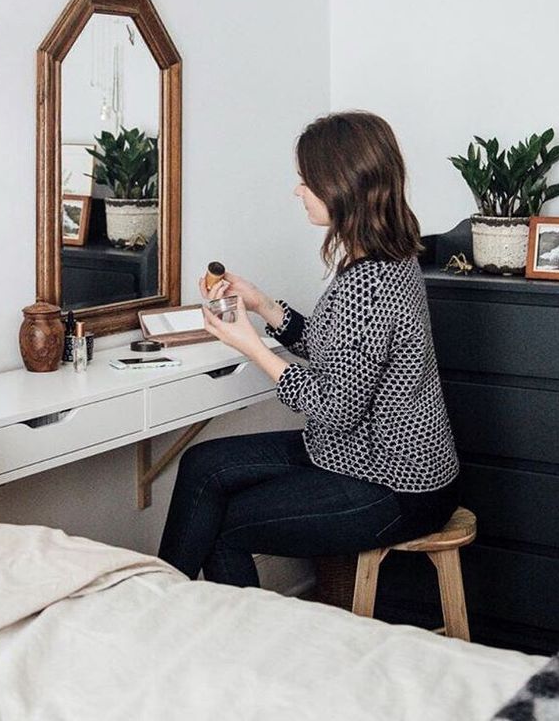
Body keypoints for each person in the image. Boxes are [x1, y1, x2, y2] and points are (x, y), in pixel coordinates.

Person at [158, 111, 460, 587]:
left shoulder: (371, 281)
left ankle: (204, 634)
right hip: (354, 454)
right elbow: (334, 347)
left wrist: (253, 347)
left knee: (222, 528)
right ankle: (162, 603)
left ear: (341, 185)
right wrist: (261, 304)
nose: (298, 191)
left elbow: (336, 407)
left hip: (393, 485)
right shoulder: (386, 258)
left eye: (306, 180)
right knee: (202, 465)